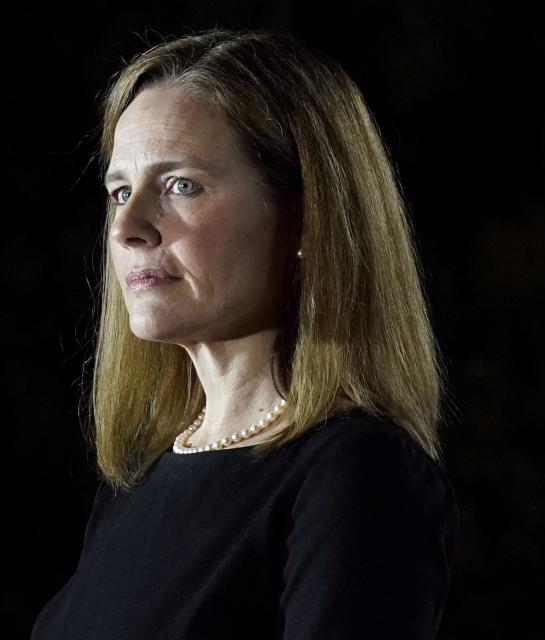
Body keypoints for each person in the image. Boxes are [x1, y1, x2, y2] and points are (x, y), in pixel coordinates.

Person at [31, 28, 458, 640]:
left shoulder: (358, 475)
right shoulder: (141, 477)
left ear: (307, 216)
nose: (128, 227)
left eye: (181, 185)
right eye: (120, 190)